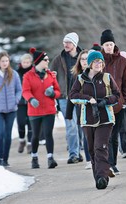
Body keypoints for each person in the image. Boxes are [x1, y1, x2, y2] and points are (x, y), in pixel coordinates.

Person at [69, 51, 120, 189]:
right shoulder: (81, 79)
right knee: (92, 150)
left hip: (106, 119)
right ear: (90, 64)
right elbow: (73, 96)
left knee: (100, 147)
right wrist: (88, 99)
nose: (99, 64)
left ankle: (102, 178)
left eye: (101, 62)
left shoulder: (107, 77)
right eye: (96, 61)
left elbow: (117, 95)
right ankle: (98, 176)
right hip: (87, 119)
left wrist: (106, 101)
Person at [22, 48, 61, 169]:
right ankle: (34, 157)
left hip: (49, 110)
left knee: (48, 134)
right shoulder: (28, 76)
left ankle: (50, 158)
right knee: (36, 135)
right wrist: (31, 99)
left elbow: (58, 91)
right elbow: (25, 91)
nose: (48, 61)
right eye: (45, 60)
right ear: (39, 61)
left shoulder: (50, 75)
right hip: (35, 111)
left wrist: (53, 93)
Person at [100, 29, 126, 175]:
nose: (109, 47)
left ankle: (113, 164)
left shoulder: (123, 61)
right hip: (103, 104)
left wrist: (125, 100)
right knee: (107, 134)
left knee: (115, 134)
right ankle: (109, 163)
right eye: (106, 44)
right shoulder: (98, 61)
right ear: (102, 46)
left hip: (119, 104)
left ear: (114, 44)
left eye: (111, 44)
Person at [50, 32, 83, 164]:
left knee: (81, 125)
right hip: (65, 97)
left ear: (74, 44)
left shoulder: (83, 57)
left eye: (68, 42)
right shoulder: (58, 59)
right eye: (64, 42)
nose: (65, 45)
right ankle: (73, 154)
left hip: (81, 96)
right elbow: (51, 78)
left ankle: (79, 149)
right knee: (71, 126)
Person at [65, 49, 92, 169]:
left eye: (87, 59)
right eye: (82, 59)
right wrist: (69, 113)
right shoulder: (75, 76)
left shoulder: (96, 73)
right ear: (79, 61)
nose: (85, 61)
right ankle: (89, 160)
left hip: (96, 108)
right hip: (81, 109)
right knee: (86, 135)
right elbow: (71, 95)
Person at [16, 53, 33, 154]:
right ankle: (22, 140)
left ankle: (30, 144)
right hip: (20, 102)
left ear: (31, 63)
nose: (26, 64)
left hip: (31, 101)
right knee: (21, 122)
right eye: (24, 62)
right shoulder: (17, 73)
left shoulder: (34, 72)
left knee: (31, 123)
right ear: (21, 63)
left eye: (27, 62)